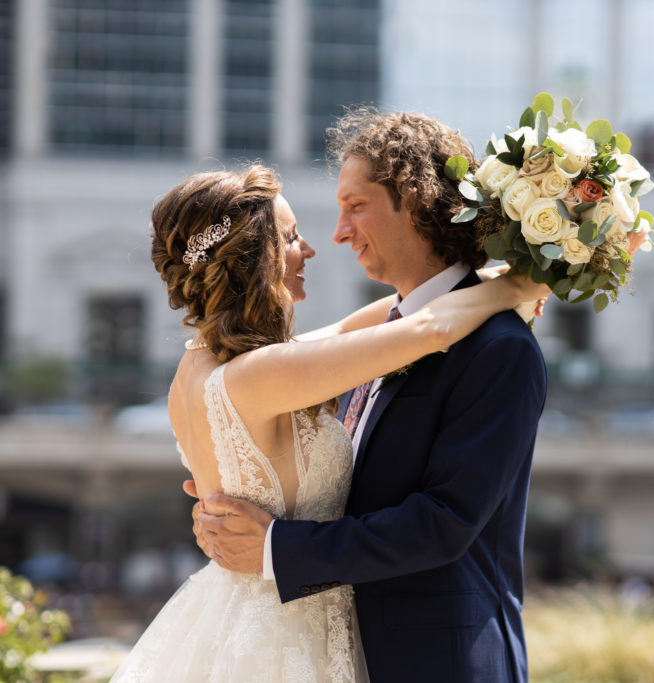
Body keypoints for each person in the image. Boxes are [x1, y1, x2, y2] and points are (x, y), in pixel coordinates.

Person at [110, 163, 548, 682]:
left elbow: (365, 323)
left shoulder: (201, 366)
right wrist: (525, 282)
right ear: (257, 256)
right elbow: (428, 327)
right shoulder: (266, 372)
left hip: (239, 612)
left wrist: (490, 278)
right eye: (292, 237)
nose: (311, 248)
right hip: (286, 633)